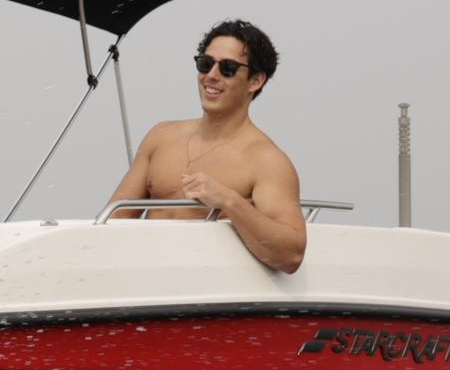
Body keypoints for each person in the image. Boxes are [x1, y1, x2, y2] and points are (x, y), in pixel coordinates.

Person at [105, 19, 305, 272]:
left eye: (228, 68)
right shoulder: (161, 136)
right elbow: (112, 221)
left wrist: (229, 201)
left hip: (209, 287)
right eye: (206, 63)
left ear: (255, 81)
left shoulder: (266, 160)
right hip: (147, 280)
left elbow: (291, 255)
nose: (211, 75)